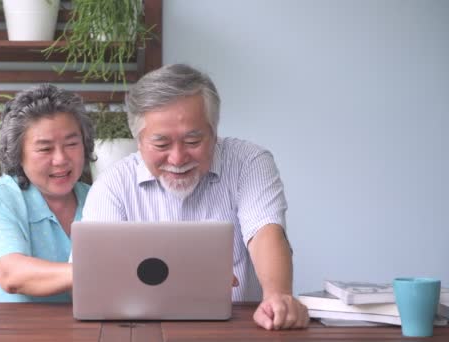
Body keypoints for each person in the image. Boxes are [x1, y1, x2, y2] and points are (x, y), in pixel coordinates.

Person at [81, 64, 309, 329]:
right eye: (161, 144)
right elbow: (97, 271)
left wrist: (277, 296)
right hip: (141, 330)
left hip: (236, 328)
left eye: (192, 142)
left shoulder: (249, 162)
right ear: (139, 141)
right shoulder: (113, 183)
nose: (178, 159)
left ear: (214, 132)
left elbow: (265, 232)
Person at [0, 84, 95, 302]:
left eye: (72, 144)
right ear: (17, 153)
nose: (61, 159)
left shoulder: (98, 197)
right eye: (45, 148)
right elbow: (11, 275)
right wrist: (100, 273)